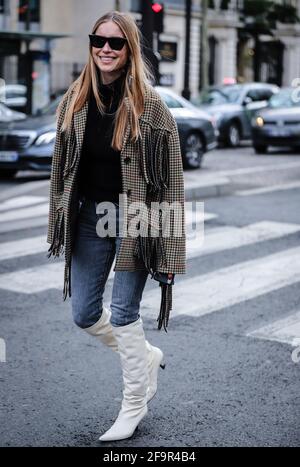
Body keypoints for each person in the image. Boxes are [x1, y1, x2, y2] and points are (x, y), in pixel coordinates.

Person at [47, 11, 186, 442]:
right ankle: (145, 356)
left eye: (115, 42)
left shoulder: (151, 107)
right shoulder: (74, 99)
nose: (105, 48)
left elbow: (172, 182)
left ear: (129, 50)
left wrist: (168, 252)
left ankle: (134, 404)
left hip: (137, 218)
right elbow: (60, 171)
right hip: (91, 216)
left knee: (125, 312)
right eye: (98, 40)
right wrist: (61, 218)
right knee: (85, 312)